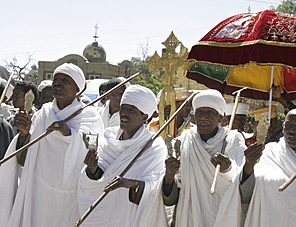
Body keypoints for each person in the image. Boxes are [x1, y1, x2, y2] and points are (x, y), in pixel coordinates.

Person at [0, 63, 103, 227]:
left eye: (65, 80)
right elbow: (26, 156)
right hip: (40, 192)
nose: (57, 83)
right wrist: (25, 134)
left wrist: (68, 134)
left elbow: (92, 149)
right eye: (55, 79)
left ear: (78, 88)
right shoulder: (44, 114)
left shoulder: (90, 117)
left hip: (71, 194)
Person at [140, 89, 246, 227]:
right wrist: (169, 175)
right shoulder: (184, 141)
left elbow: (243, 183)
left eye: (210, 112)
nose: (204, 117)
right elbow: (172, 192)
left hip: (221, 214)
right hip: (188, 216)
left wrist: (227, 170)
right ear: (194, 117)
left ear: (221, 117)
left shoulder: (233, 141)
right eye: (200, 112)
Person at [78, 84, 167, 226]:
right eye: (123, 108)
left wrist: (131, 184)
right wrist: (92, 169)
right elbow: (96, 179)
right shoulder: (106, 140)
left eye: (131, 110)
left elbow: (156, 185)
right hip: (101, 213)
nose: (124, 113)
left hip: (129, 215)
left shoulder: (154, 146)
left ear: (144, 116)